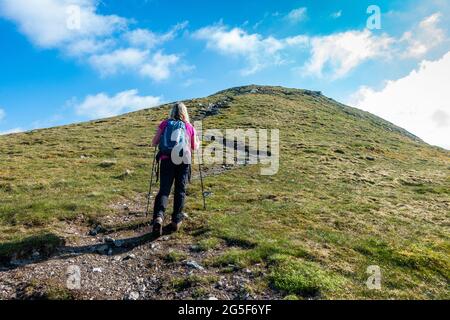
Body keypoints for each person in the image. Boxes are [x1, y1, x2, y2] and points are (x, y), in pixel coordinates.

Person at [151, 102, 199, 236]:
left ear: (172, 112)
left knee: (164, 190)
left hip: (167, 159)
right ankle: (176, 221)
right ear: (185, 112)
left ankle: (158, 218)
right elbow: (195, 147)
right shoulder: (189, 126)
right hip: (184, 160)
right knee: (180, 190)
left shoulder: (165, 124)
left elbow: (154, 142)